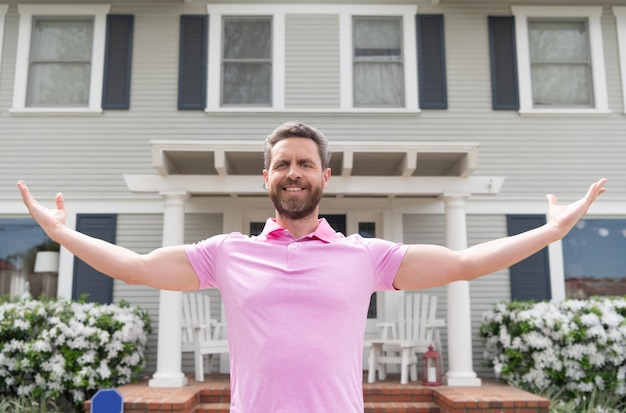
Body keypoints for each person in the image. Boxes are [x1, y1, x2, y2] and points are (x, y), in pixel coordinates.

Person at [17, 122, 607, 412]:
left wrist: (552, 231)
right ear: (266, 177)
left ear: (325, 177)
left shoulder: (365, 256)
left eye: (305, 163)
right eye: (282, 164)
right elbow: (138, 267)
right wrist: (61, 233)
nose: (293, 172)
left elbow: (463, 263)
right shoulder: (226, 253)